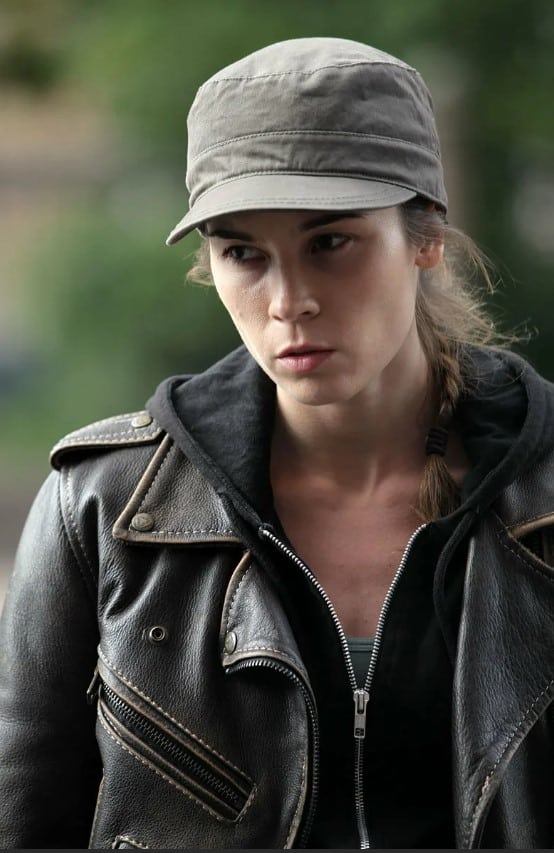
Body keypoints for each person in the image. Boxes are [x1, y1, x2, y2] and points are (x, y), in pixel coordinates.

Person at [0, 36, 552, 850]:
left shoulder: (541, 494)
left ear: (426, 237)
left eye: (330, 243)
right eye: (243, 253)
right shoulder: (103, 507)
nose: (289, 301)